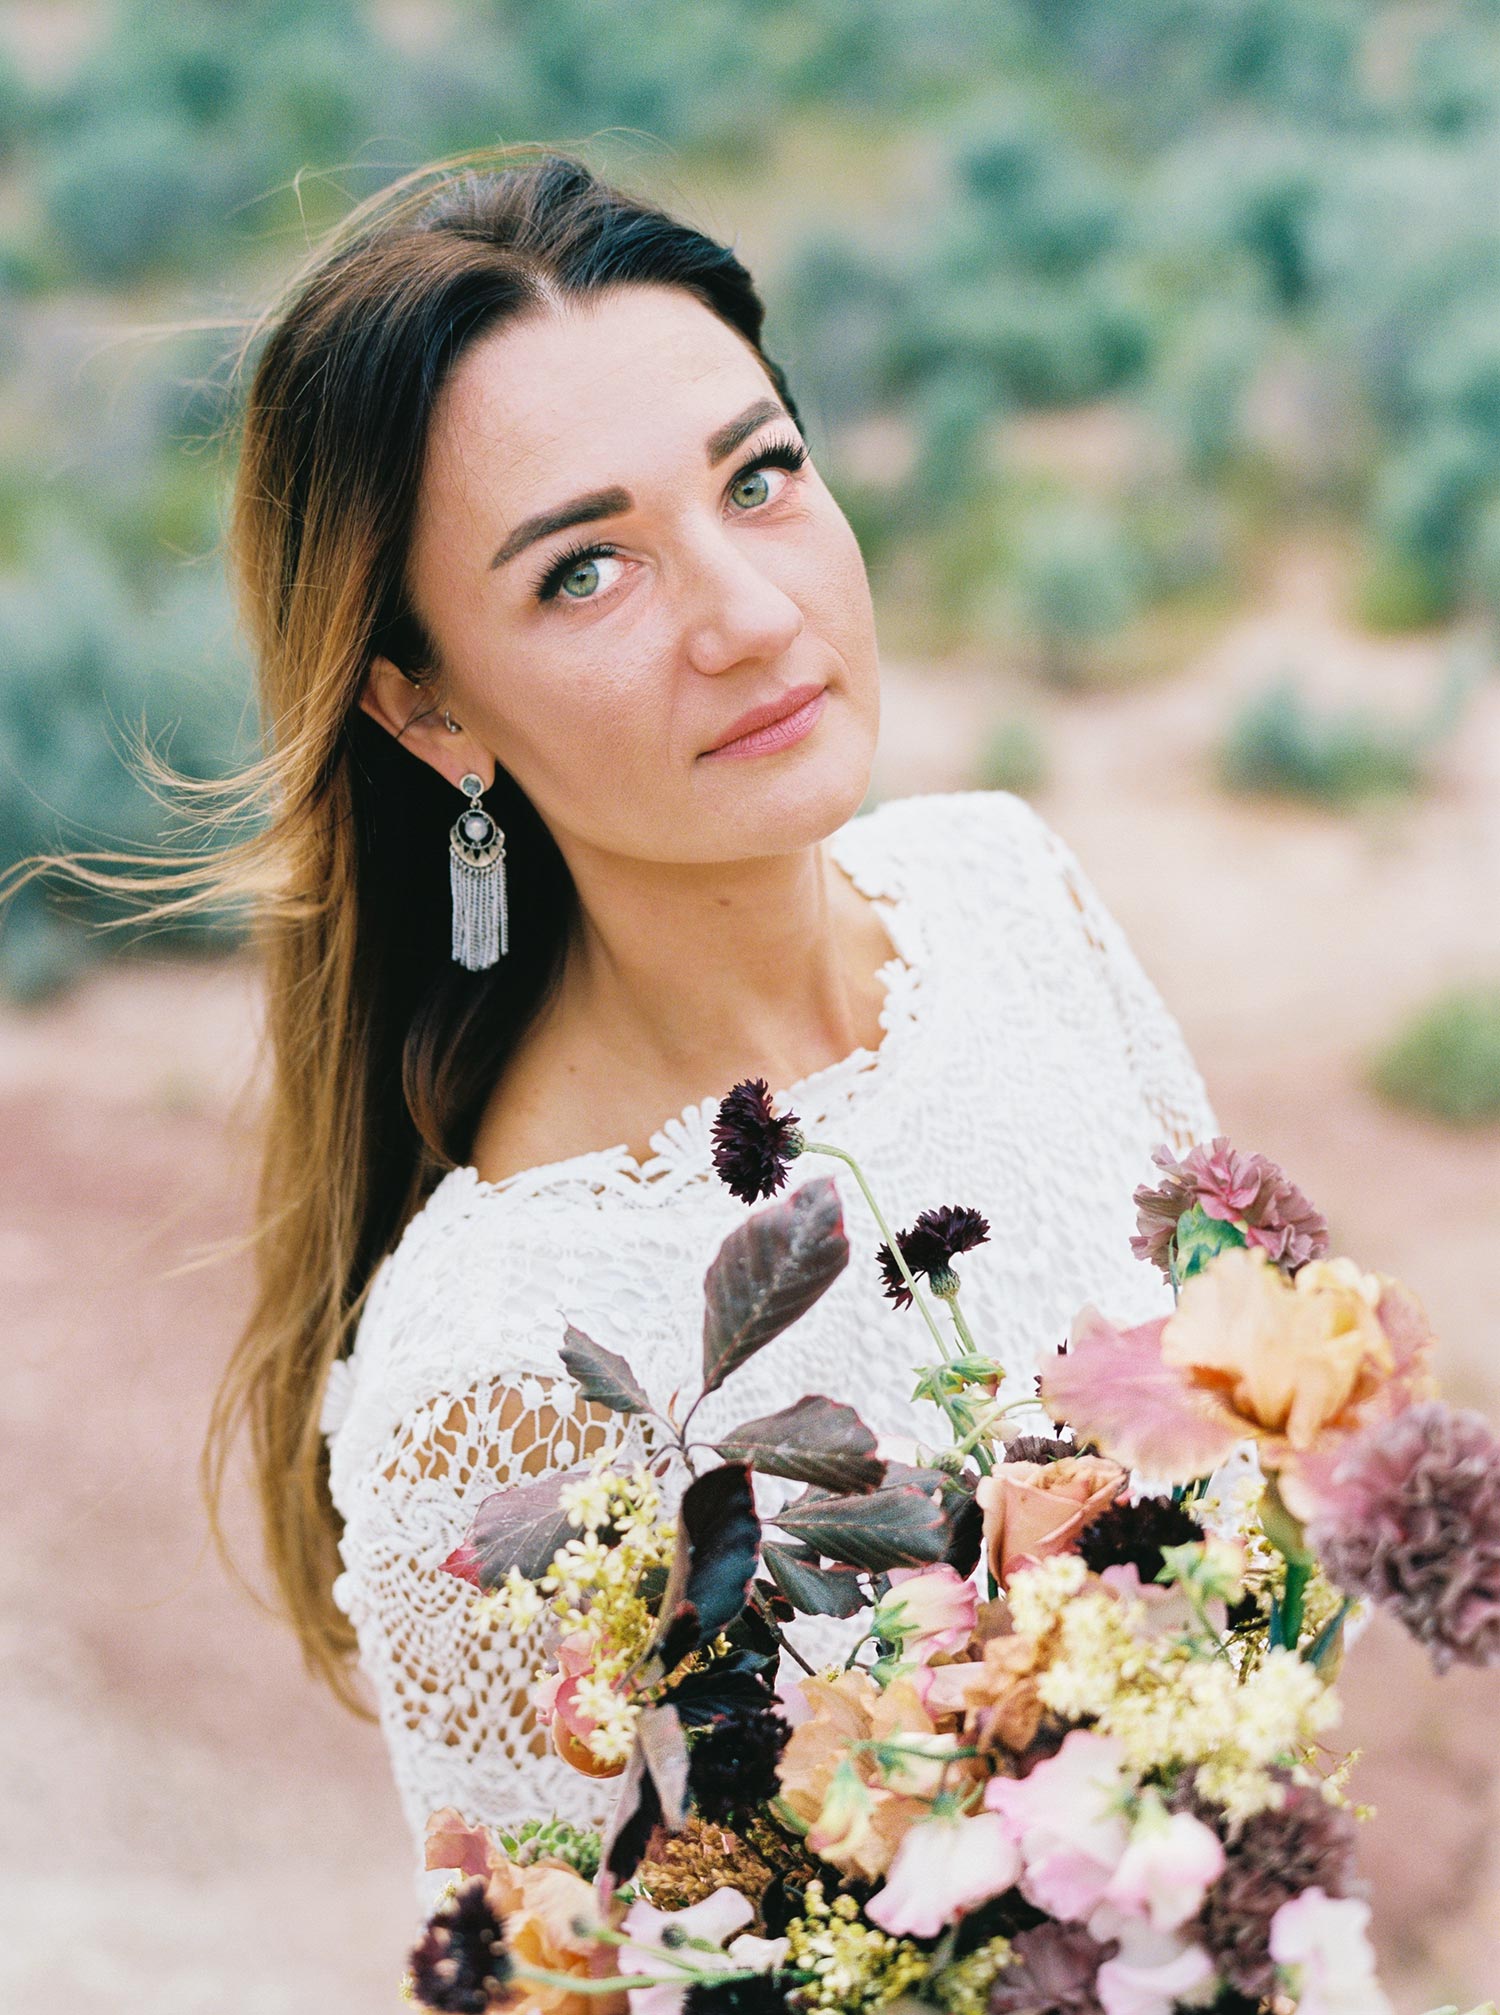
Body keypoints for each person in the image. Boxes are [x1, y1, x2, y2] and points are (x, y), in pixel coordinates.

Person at [15, 147, 1220, 1890]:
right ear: (429, 713)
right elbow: (538, 1989)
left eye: (761, 476)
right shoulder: (496, 1379)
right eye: (586, 571)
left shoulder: (1011, 891)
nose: (749, 616)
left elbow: (1253, 1435)